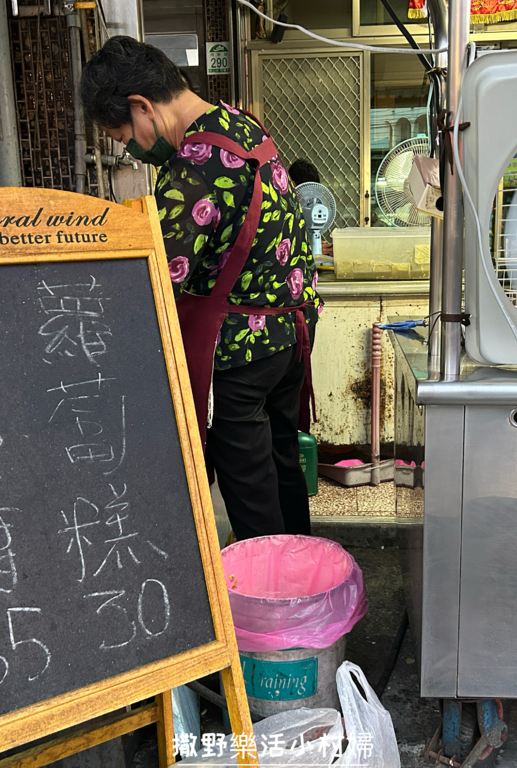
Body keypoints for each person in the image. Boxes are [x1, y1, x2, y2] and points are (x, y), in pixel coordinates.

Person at [81, 37, 321, 540]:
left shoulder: (195, 163)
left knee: (252, 490)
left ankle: (276, 599)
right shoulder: (240, 124)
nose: (130, 149)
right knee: (282, 467)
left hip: (242, 353)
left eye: (122, 134)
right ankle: (305, 580)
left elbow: (157, 276)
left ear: (142, 107)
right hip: (290, 335)